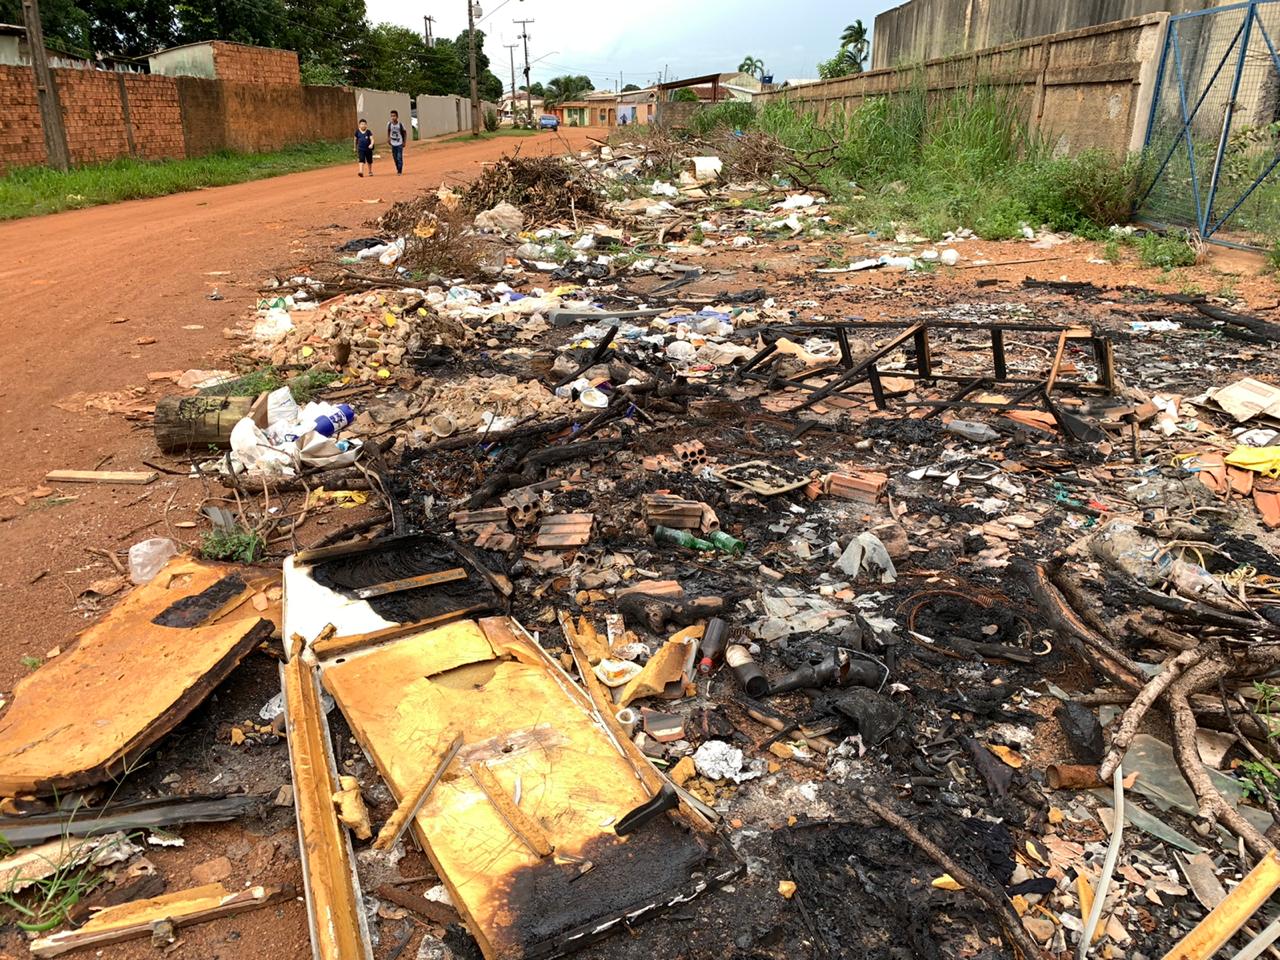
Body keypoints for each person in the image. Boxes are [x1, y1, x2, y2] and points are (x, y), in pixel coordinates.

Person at [387, 110, 408, 175]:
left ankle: (400, 171)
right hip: (393, 143)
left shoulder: (400, 124)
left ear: (397, 116)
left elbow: (404, 133)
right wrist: (388, 138)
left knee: (399, 157)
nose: (393, 117)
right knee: (395, 157)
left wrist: (404, 142)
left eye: (394, 116)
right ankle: (398, 168)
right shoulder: (389, 124)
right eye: (391, 116)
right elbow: (388, 131)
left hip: (399, 143)